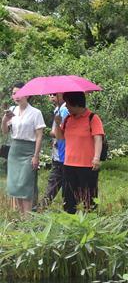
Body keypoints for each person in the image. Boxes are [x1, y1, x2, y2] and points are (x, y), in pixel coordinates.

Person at [54, 91, 104, 213]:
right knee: (69, 199)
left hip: (87, 166)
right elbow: (60, 137)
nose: (66, 107)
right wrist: (57, 123)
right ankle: (70, 224)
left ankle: (89, 224)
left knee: (89, 199)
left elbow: (98, 138)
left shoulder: (93, 118)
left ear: (76, 104)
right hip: (69, 165)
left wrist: (96, 158)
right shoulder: (67, 119)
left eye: (68, 104)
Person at [2, 82, 45, 214]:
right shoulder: (12, 110)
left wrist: (36, 155)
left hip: (29, 150)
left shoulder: (35, 112)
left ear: (27, 95)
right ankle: (21, 216)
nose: (16, 96)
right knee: (15, 186)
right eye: (14, 93)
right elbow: (4, 132)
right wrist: (4, 120)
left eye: (20, 93)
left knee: (26, 185)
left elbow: (39, 135)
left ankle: (28, 217)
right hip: (15, 149)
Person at [39, 93, 69, 209]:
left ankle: (43, 208)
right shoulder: (57, 109)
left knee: (57, 182)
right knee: (55, 182)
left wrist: (52, 131)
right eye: (50, 95)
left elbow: (60, 132)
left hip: (63, 153)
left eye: (55, 94)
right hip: (58, 152)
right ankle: (43, 207)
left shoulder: (65, 110)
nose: (52, 97)